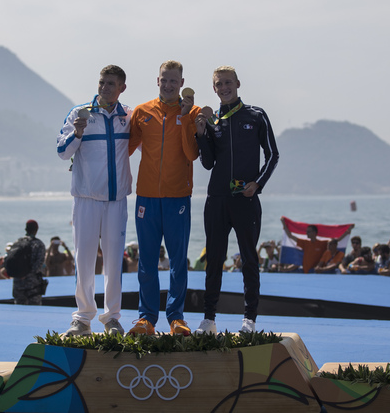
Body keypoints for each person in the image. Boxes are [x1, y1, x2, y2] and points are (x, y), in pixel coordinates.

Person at [194, 65, 279, 334]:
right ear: (214, 88)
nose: (224, 87)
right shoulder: (211, 119)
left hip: (246, 199)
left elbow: (273, 155)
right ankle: (209, 319)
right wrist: (200, 135)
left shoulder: (255, 115)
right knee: (214, 259)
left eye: (228, 82)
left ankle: (249, 319)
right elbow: (207, 163)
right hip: (217, 199)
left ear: (238, 83)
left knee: (249, 259)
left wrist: (258, 184)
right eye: (219, 84)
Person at [127, 60, 200, 336]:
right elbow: (127, 148)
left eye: (174, 81)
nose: (168, 85)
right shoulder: (142, 112)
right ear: (157, 81)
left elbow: (192, 154)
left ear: (182, 83)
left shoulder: (190, 113)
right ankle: (146, 318)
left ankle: (176, 318)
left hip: (178, 196)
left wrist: (183, 117)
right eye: (164, 80)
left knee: (178, 260)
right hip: (146, 196)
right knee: (147, 260)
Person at [57, 65, 132, 336]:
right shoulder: (80, 114)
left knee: (114, 261)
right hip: (86, 199)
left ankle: (112, 317)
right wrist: (77, 134)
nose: (104, 88)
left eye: (111, 84)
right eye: (102, 82)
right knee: (84, 260)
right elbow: (62, 152)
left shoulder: (129, 116)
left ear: (122, 87)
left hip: (116, 200)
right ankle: (83, 318)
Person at [281, 219, 354, 274]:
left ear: (314, 233)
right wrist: (284, 223)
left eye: (309, 231)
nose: (307, 233)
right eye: (307, 231)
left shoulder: (322, 243)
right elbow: (290, 236)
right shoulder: (305, 243)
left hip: (316, 272)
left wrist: (348, 229)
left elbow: (336, 240)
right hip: (306, 271)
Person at [12, 220, 47, 305]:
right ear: (36, 229)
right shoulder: (39, 244)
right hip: (32, 286)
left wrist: (21, 275)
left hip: (18, 284)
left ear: (25, 229)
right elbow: (38, 265)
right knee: (35, 312)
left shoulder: (17, 242)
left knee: (19, 311)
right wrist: (27, 275)